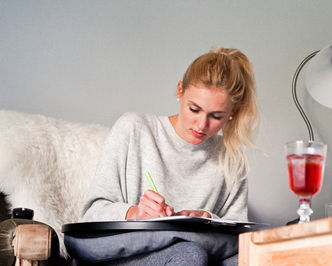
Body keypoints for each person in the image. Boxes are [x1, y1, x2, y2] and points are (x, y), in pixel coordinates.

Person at [79, 47, 260, 266]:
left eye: (216, 116)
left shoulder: (232, 157)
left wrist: (207, 219)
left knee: (249, 259)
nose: (202, 125)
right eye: (194, 109)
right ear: (180, 91)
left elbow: (239, 236)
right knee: (189, 254)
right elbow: (90, 215)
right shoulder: (135, 128)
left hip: (196, 251)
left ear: (233, 112)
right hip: (126, 253)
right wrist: (135, 212)